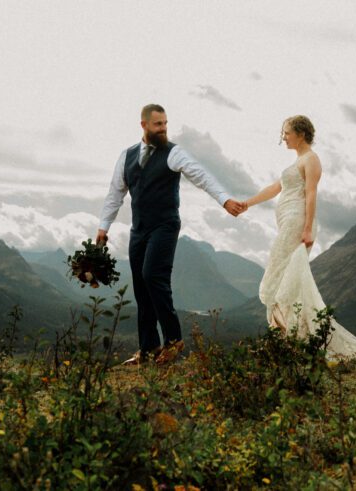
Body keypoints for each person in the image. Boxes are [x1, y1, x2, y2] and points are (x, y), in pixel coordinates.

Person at [96, 103, 245, 366]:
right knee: (141, 287)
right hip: (138, 229)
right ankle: (148, 349)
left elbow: (201, 175)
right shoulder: (126, 156)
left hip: (165, 226)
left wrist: (224, 199)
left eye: (165, 123)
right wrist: (103, 227)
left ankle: (174, 340)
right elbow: (114, 194)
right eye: (158, 124)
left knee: (153, 275)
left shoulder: (174, 153)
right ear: (143, 125)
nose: (164, 129)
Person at [241, 115, 356, 360]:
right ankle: (289, 340)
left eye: (287, 132)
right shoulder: (297, 162)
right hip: (287, 221)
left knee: (278, 279)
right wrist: (247, 203)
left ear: (301, 134)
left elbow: (311, 193)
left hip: (298, 221)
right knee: (286, 281)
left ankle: (289, 340)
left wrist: (308, 228)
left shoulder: (311, 160)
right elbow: (275, 188)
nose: (283, 137)